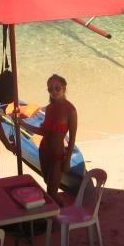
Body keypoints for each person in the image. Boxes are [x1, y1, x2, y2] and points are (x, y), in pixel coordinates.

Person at [39, 74, 78, 204]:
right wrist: (22, 124)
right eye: (50, 89)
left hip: (57, 155)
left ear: (64, 88)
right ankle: (54, 213)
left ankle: (61, 214)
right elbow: (44, 132)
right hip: (43, 151)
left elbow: (72, 138)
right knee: (47, 184)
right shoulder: (49, 108)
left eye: (57, 88)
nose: (54, 91)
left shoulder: (70, 110)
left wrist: (67, 160)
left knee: (52, 193)